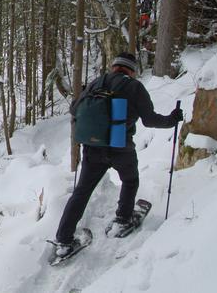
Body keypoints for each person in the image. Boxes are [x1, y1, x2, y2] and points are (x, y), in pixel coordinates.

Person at [53, 52, 182, 257]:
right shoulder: (134, 87)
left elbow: (74, 109)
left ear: (114, 67)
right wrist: (172, 120)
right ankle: (122, 220)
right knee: (130, 180)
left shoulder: (96, 83)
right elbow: (149, 120)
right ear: (131, 70)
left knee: (82, 192)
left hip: (92, 149)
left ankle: (63, 241)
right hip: (120, 147)